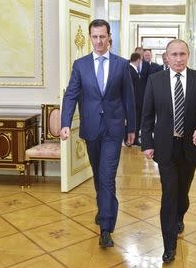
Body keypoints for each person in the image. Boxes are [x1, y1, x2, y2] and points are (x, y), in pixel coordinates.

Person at [60, 19, 135, 248]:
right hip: (91, 128)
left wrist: (131, 127)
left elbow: (129, 98)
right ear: (90, 38)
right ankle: (104, 207)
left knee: (107, 176)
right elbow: (71, 94)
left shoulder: (122, 65)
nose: (99, 41)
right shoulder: (80, 65)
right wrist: (65, 122)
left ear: (109, 37)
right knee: (98, 175)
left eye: (103, 36)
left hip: (113, 129)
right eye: (95, 37)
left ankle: (106, 227)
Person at [140, 39, 196, 263]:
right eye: (173, 54)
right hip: (165, 147)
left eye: (182, 54)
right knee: (169, 194)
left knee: (182, 194)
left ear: (188, 55)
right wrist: (147, 143)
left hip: (190, 146)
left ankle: (179, 216)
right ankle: (169, 245)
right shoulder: (155, 80)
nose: (178, 58)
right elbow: (147, 115)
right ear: (166, 57)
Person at [127, 52, 143, 146]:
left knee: (136, 119)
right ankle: (133, 139)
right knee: (135, 120)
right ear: (138, 60)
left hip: (136, 101)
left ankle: (134, 138)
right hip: (135, 101)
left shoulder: (133, 69)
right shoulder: (130, 70)